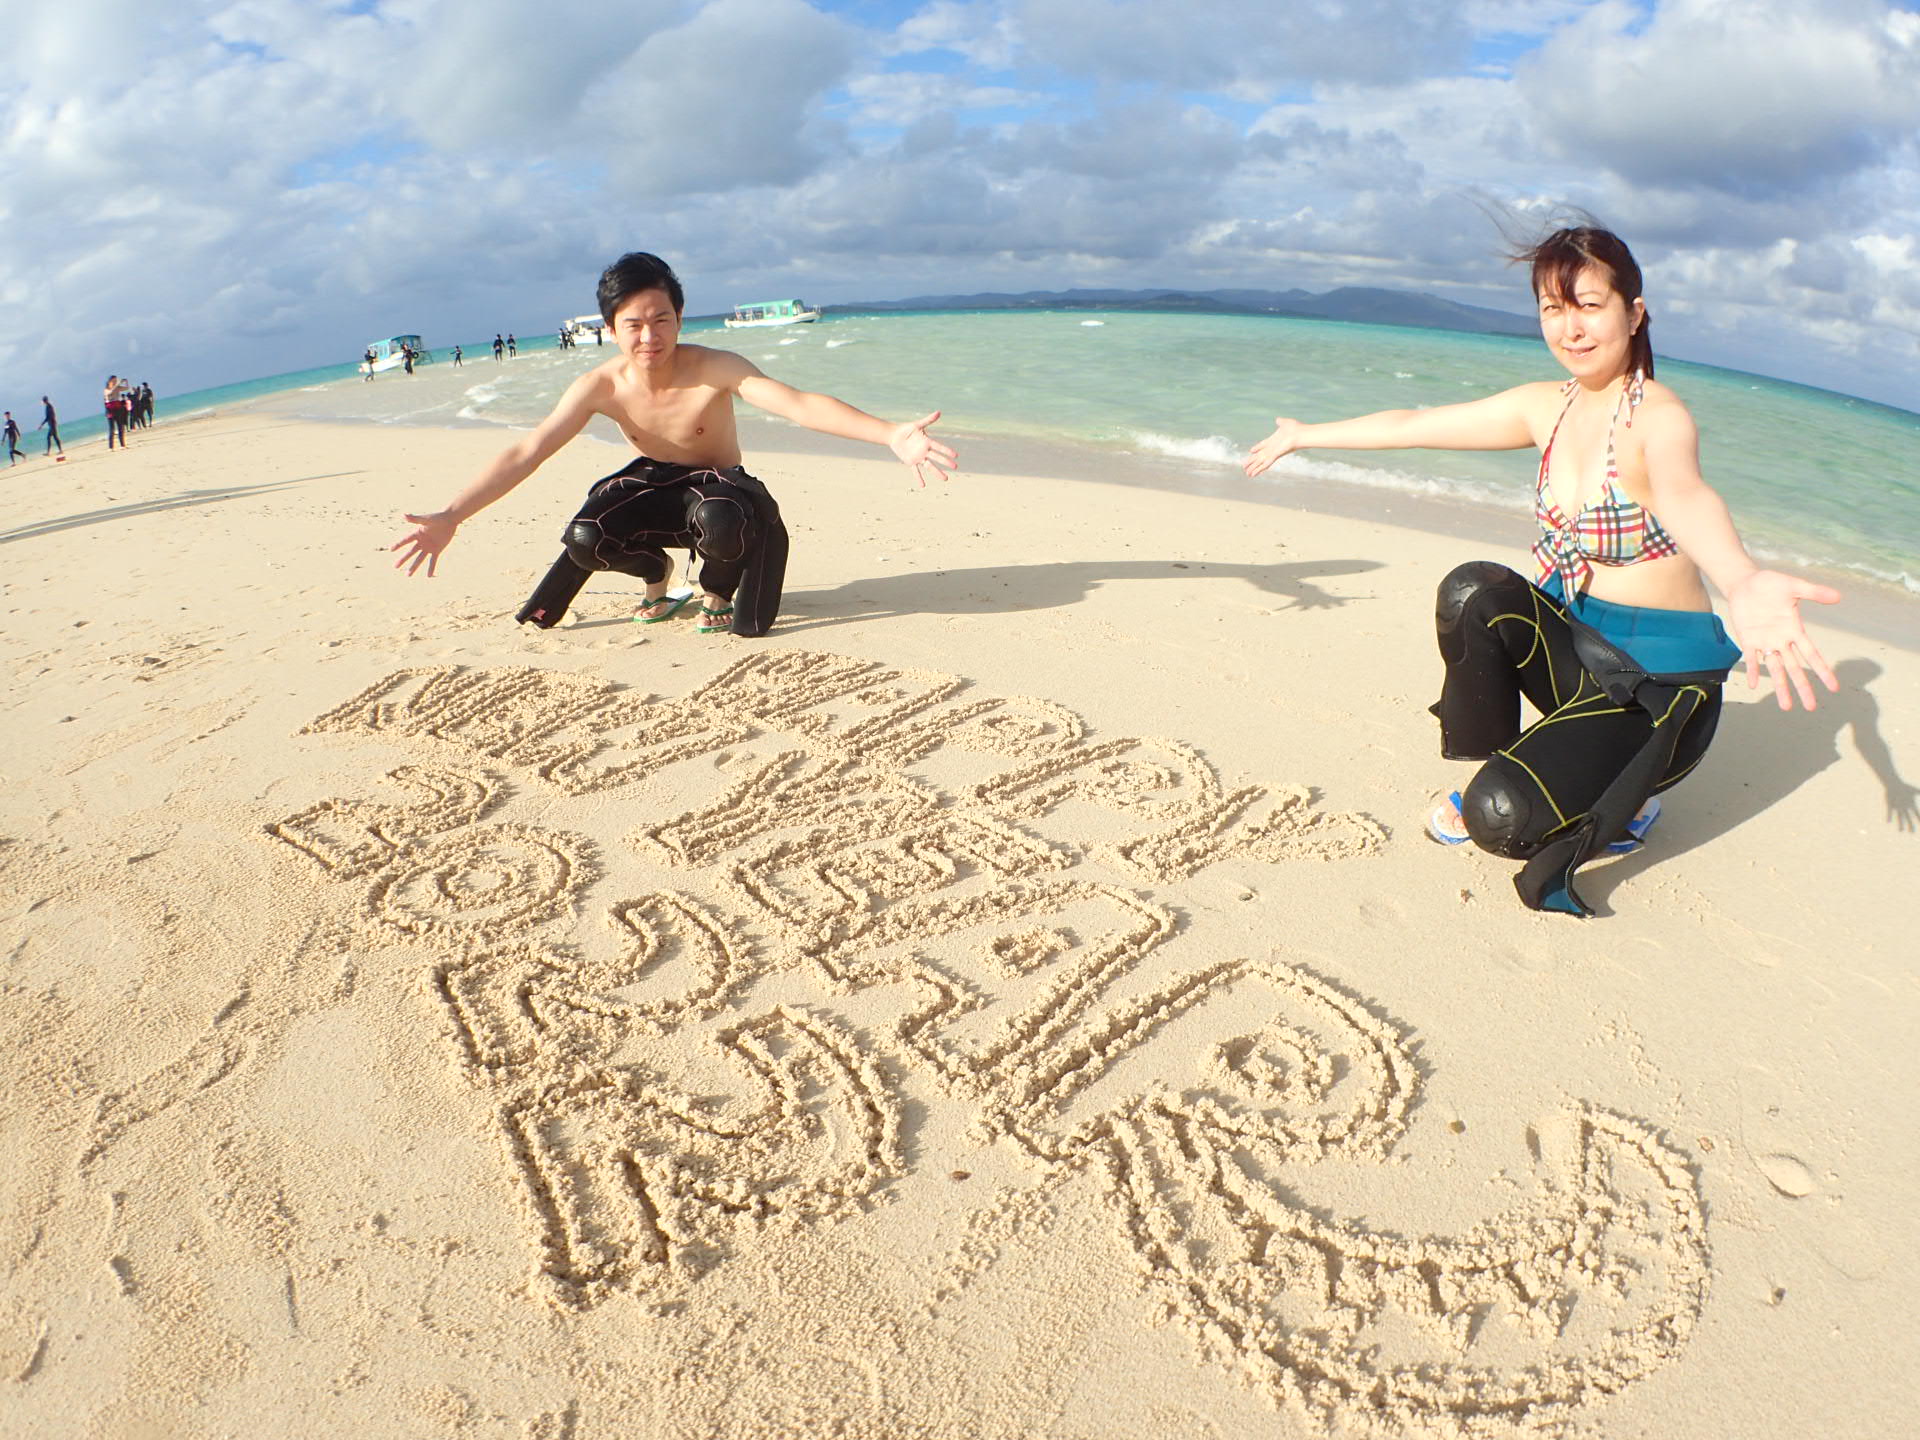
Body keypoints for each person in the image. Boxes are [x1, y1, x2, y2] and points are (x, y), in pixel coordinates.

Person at [1244, 222, 1840, 916]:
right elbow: (1419, 422)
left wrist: (1741, 579)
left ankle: (1625, 794)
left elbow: (1685, 494)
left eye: (1589, 305)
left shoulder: (1657, 418)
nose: (1571, 327)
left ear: (1633, 313)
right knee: (1474, 591)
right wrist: (1305, 435)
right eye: (1553, 308)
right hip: (1584, 655)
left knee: (1498, 818)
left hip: (1656, 690)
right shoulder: (1547, 408)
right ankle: (1532, 757)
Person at [391, 251, 956, 636]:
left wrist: (889, 433)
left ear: (680, 318)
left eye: (661, 320)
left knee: (723, 518)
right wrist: (452, 514)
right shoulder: (599, 386)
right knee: (586, 536)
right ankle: (657, 581)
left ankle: (715, 593)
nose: (649, 336)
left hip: (717, 496)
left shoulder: (716, 367)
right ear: (610, 329)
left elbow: (798, 403)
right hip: (653, 487)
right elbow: (528, 450)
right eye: (633, 324)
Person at [103, 376, 130, 449]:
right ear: (109, 381)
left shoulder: (117, 387)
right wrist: (117, 384)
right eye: (114, 380)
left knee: (121, 427)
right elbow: (110, 392)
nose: (115, 381)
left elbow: (127, 388)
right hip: (110, 410)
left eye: (116, 380)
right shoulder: (106, 390)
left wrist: (126, 382)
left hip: (118, 408)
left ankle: (122, 445)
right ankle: (111, 447)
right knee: (112, 429)